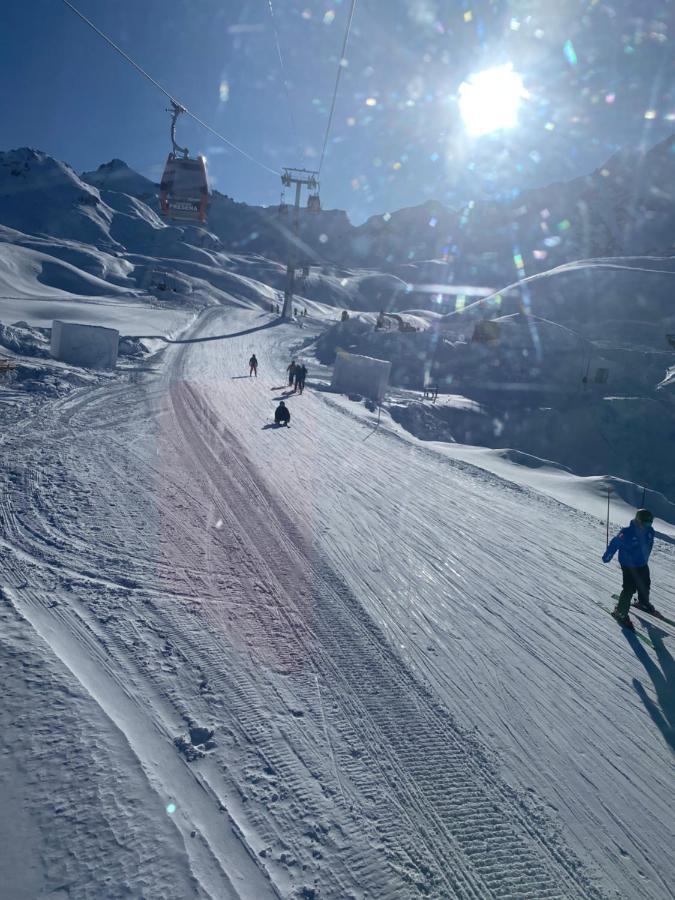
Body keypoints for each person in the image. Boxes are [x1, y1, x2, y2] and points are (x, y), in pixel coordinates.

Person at [603, 508, 658, 626]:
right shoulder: (627, 532)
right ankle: (620, 612)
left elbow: (649, 544)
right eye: (645, 523)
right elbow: (615, 543)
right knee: (629, 588)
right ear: (638, 521)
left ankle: (643, 602)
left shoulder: (650, 531)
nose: (647, 525)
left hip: (642, 563)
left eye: (650, 523)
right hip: (628, 564)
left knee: (645, 583)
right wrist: (608, 555)